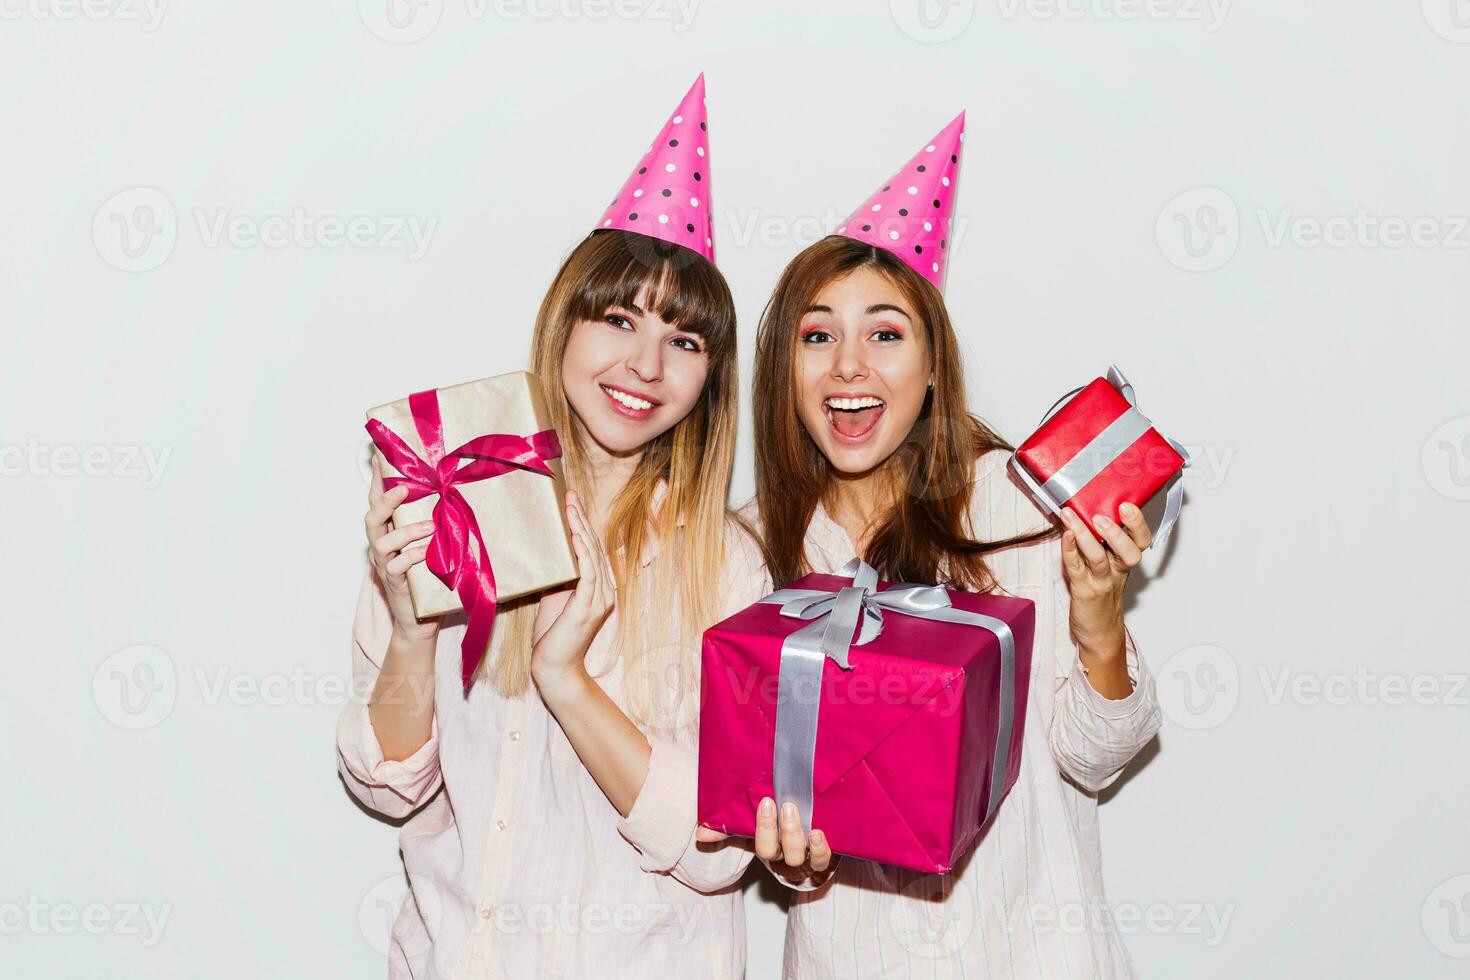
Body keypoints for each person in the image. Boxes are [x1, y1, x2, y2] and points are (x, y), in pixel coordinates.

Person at [336, 75, 768, 979]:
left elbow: (721, 846)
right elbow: (387, 783)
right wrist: (413, 627)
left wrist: (565, 677)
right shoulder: (461, 497)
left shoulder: (728, 570)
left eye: (684, 342)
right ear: (562, 326)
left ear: (708, 382)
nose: (644, 364)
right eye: (619, 319)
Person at [719, 113, 1164, 978]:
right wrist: (788, 854)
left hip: (1038, 951)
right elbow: (767, 806)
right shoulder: (749, 549)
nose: (849, 366)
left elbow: (1095, 759)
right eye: (818, 336)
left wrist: (1100, 616)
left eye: (885, 334)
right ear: (786, 369)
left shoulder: (1016, 501)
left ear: (930, 367)